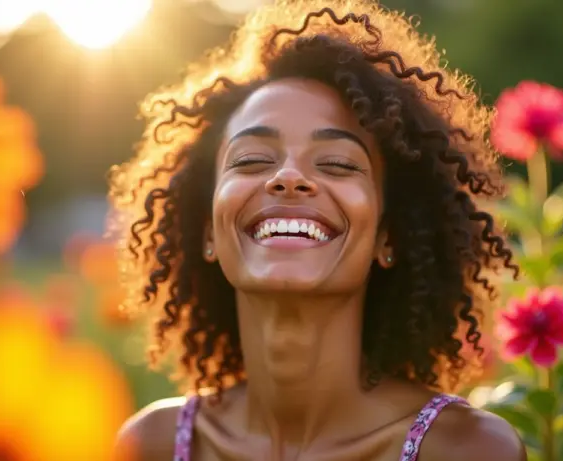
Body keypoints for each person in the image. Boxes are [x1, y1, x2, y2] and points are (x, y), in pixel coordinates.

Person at [111, 0, 526, 459]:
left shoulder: (465, 449)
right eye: (252, 159)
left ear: (388, 235)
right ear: (208, 231)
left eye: (337, 163)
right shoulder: (152, 444)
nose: (288, 176)